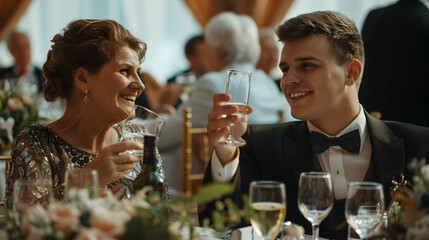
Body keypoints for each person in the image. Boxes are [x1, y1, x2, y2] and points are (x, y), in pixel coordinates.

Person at [199, 11, 429, 239]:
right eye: (285, 68)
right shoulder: (260, 146)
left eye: (306, 65)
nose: (288, 80)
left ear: (351, 72)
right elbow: (222, 226)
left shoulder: (420, 145)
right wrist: (226, 157)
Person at [5, 19, 169, 207]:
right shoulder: (37, 144)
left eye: (138, 72)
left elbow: (164, 219)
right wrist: (87, 181)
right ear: (83, 78)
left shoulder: (139, 142)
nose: (140, 85)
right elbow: (23, 228)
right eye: (125, 71)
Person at [158, 12, 292, 195]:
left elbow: (164, 136)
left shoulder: (213, 83)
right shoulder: (266, 81)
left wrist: (132, 123)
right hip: (273, 177)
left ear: (213, 50)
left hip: (232, 181)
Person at [359, 0, 429, 127]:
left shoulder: (374, 16)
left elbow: (363, 70)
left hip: (372, 120)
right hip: (417, 125)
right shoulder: (425, 21)